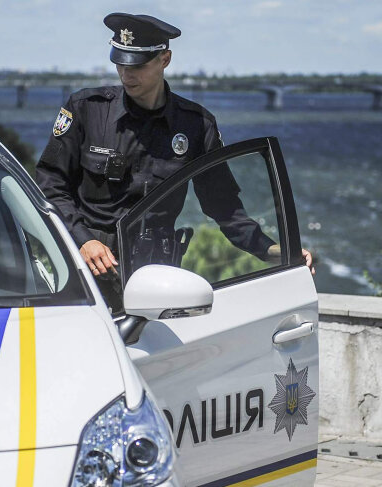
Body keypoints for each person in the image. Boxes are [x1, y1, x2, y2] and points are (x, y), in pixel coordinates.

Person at [36, 12, 314, 311]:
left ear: (164, 60)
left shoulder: (196, 125)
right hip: (87, 269)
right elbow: (50, 184)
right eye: (120, 62)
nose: (126, 74)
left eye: (138, 66)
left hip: (156, 277)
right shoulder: (87, 110)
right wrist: (83, 240)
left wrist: (275, 251)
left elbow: (224, 208)